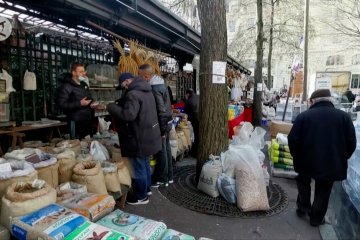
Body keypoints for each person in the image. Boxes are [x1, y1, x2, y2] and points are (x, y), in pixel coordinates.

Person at [288, 89, 356, 227]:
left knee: (303, 182)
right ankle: (316, 218)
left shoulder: (304, 117)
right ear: (329, 100)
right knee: (324, 190)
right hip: (332, 163)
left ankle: (303, 208)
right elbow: (351, 142)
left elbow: (292, 139)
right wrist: (341, 157)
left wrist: (297, 155)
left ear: (312, 101)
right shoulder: (344, 117)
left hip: (305, 160)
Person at [106, 73, 162, 205]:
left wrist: (111, 107)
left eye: (123, 85)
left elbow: (128, 115)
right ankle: (146, 190)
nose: (123, 88)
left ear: (126, 81)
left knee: (138, 167)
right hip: (147, 134)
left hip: (137, 136)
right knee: (144, 163)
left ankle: (140, 196)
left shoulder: (133, 94)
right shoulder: (146, 91)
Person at [139, 64, 173, 187]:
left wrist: (162, 129)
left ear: (147, 76)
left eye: (141, 76)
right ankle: (169, 176)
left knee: (161, 150)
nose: (141, 79)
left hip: (162, 122)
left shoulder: (154, 88)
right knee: (166, 148)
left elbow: (161, 109)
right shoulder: (161, 84)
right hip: (168, 121)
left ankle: (162, 178)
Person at [56, 62, 96, 139]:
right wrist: (79, 104)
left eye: (84, 71)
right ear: (74, 73)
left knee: (87, 143)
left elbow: (89, 98)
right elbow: (61, 104)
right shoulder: (66, 87)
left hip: (87, 119)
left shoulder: (83, 84)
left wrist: (92, 103)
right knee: (77, 143)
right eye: (81, 72)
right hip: (75, 121)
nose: (83, 74)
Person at [184, 88, 199, 157]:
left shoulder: (188, 101)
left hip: (195, 120)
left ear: (188, 94)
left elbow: (185, 112)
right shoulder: (198, 96)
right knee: (198, 135)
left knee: (196, 135)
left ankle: (195, 153)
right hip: (200, 118)